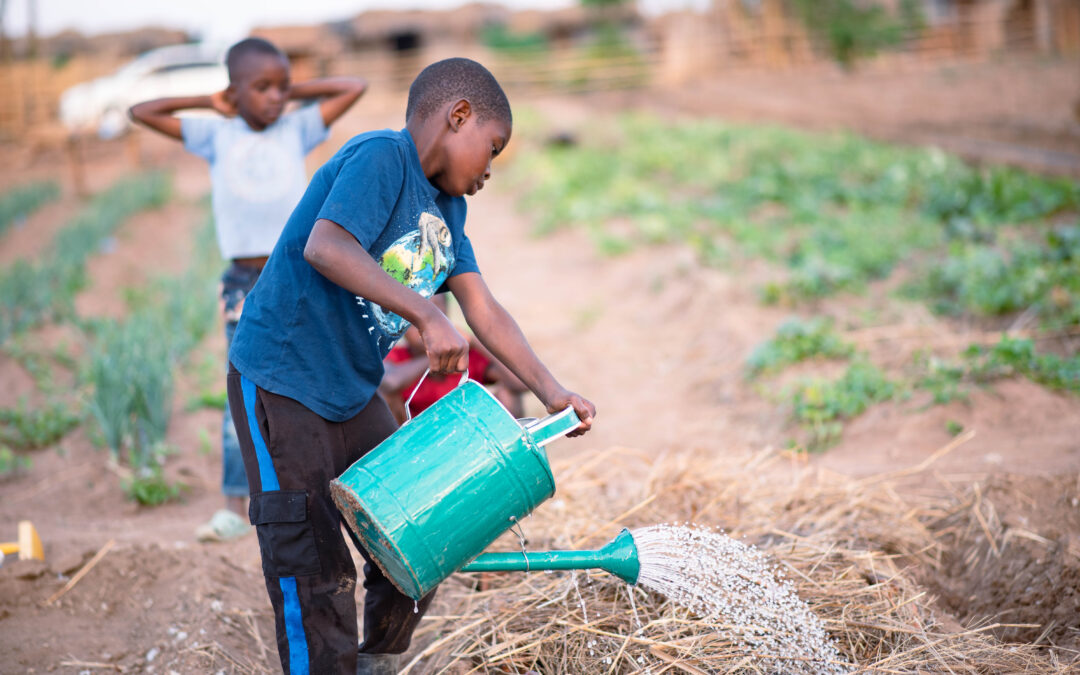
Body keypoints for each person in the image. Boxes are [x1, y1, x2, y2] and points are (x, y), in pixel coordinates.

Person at [225, 57, 595, 674]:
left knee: (420, 528)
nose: (489, 171)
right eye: (493, 149)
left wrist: (553, 392)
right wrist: (425, 314)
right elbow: (326, 246)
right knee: (311, 563)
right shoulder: (380, 158)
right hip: (282, 381)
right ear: (459, 116)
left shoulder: (448, 211)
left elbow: (482, 308)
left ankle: (373, 660)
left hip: (352, 390)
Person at [128, 38, 368, 543]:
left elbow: (355, 85)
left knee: (314, 379)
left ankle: (328, 493)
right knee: (243, 389)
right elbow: (140, 111)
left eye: (282, 87)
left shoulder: (296, 128)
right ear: (233, 91)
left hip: (300, 279)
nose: (275, 97)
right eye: (263, 88)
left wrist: (285, 90)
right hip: (243, 284)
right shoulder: (216, 134)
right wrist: (213, 101)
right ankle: (234, 506)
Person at [380, 294, 527, 423]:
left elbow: (519, 383)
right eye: (412, 318)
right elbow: (388, 383)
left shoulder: (467, 354)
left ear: (446, 315)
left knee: (508, 392)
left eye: (434, 310)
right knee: (384, 396)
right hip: (416, 436)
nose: (423, 320)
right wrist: (436, 356)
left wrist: (474, 341)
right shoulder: (396, 356)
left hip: (468, 428)